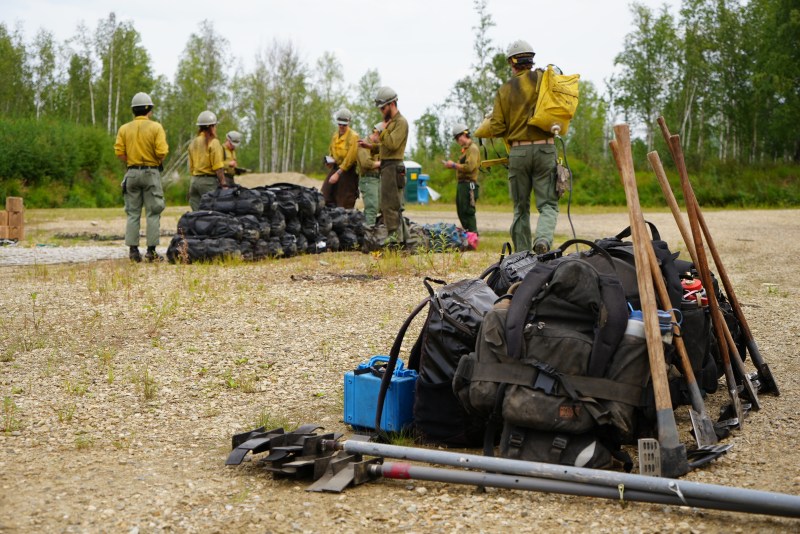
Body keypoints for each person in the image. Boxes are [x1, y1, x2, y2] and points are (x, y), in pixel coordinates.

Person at [474, 39, 558, 254]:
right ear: (531, 60)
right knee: (547, 205)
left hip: (518, 152)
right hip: (545, 149)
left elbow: (498, 127)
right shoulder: (545, 80)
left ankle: (522, 256)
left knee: (521, 209)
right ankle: (543, 241)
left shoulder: (505, 90)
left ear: (512, 62)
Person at [114, 92, 169, 263]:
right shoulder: (156, 127)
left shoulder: (124, 128)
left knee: (132, 213)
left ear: (133, 110)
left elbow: (119, 152)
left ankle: (133, 251)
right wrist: (155, 160)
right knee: (153, 212)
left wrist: (131, 161)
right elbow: (162, 152)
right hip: (151, 172)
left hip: (131, 173)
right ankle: (151, 252)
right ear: (149, 110)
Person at [359, 86, 408, 243]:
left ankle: (395, 237)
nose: (381, 111)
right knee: (389, 202)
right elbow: (385, 148)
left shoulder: (401, 122)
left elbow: (393, 144)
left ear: (392, 104)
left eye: (383, 108)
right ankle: (401, 238)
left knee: (391, 203)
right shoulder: (392, 123)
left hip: (394, 167)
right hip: (388, 166)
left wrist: (381, 133)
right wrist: (371, 147)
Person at [443, 123, 480, 233]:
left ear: (463, 135)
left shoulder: (473, 149)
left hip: (469, 185)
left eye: (457, 138)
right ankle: (468, 235)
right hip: (462, 184)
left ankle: (473, 235)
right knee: (461, 211)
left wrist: (453, 165)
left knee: (468, 211)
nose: (457, 141)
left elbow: (469, 167)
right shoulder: (466, 150)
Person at [188, 110, 227, 211]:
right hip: (208, 183)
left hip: (194, 182)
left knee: (197, 214)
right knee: (211, 214)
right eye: (214, 126)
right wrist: (224, 185)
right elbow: (218, 167)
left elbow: (191, 167)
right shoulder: (214, 143)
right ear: (211, 127)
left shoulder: (193, 143)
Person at [321, 108, 360, 209]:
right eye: (340, 124)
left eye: (344, 124)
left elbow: (350, 159)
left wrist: (338, 174)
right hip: (336, 167)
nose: (342, 126)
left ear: (349, 122)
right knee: (325, 193)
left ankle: (345, 220)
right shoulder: (335, 136)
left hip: (348, 171)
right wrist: (330, 161)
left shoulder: (354, 136)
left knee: (344, 201)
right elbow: (332, 151)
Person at [356, 127, 381, 226]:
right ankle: (369, 235)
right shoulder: (363, 144)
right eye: (381, 137)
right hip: (368, 178)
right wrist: (381, 163)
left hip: (375, 179)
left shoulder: (375, 146)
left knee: (374, 208)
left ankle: (365, 231)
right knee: (372, 208)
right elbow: (366, 163)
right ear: (376, 134)